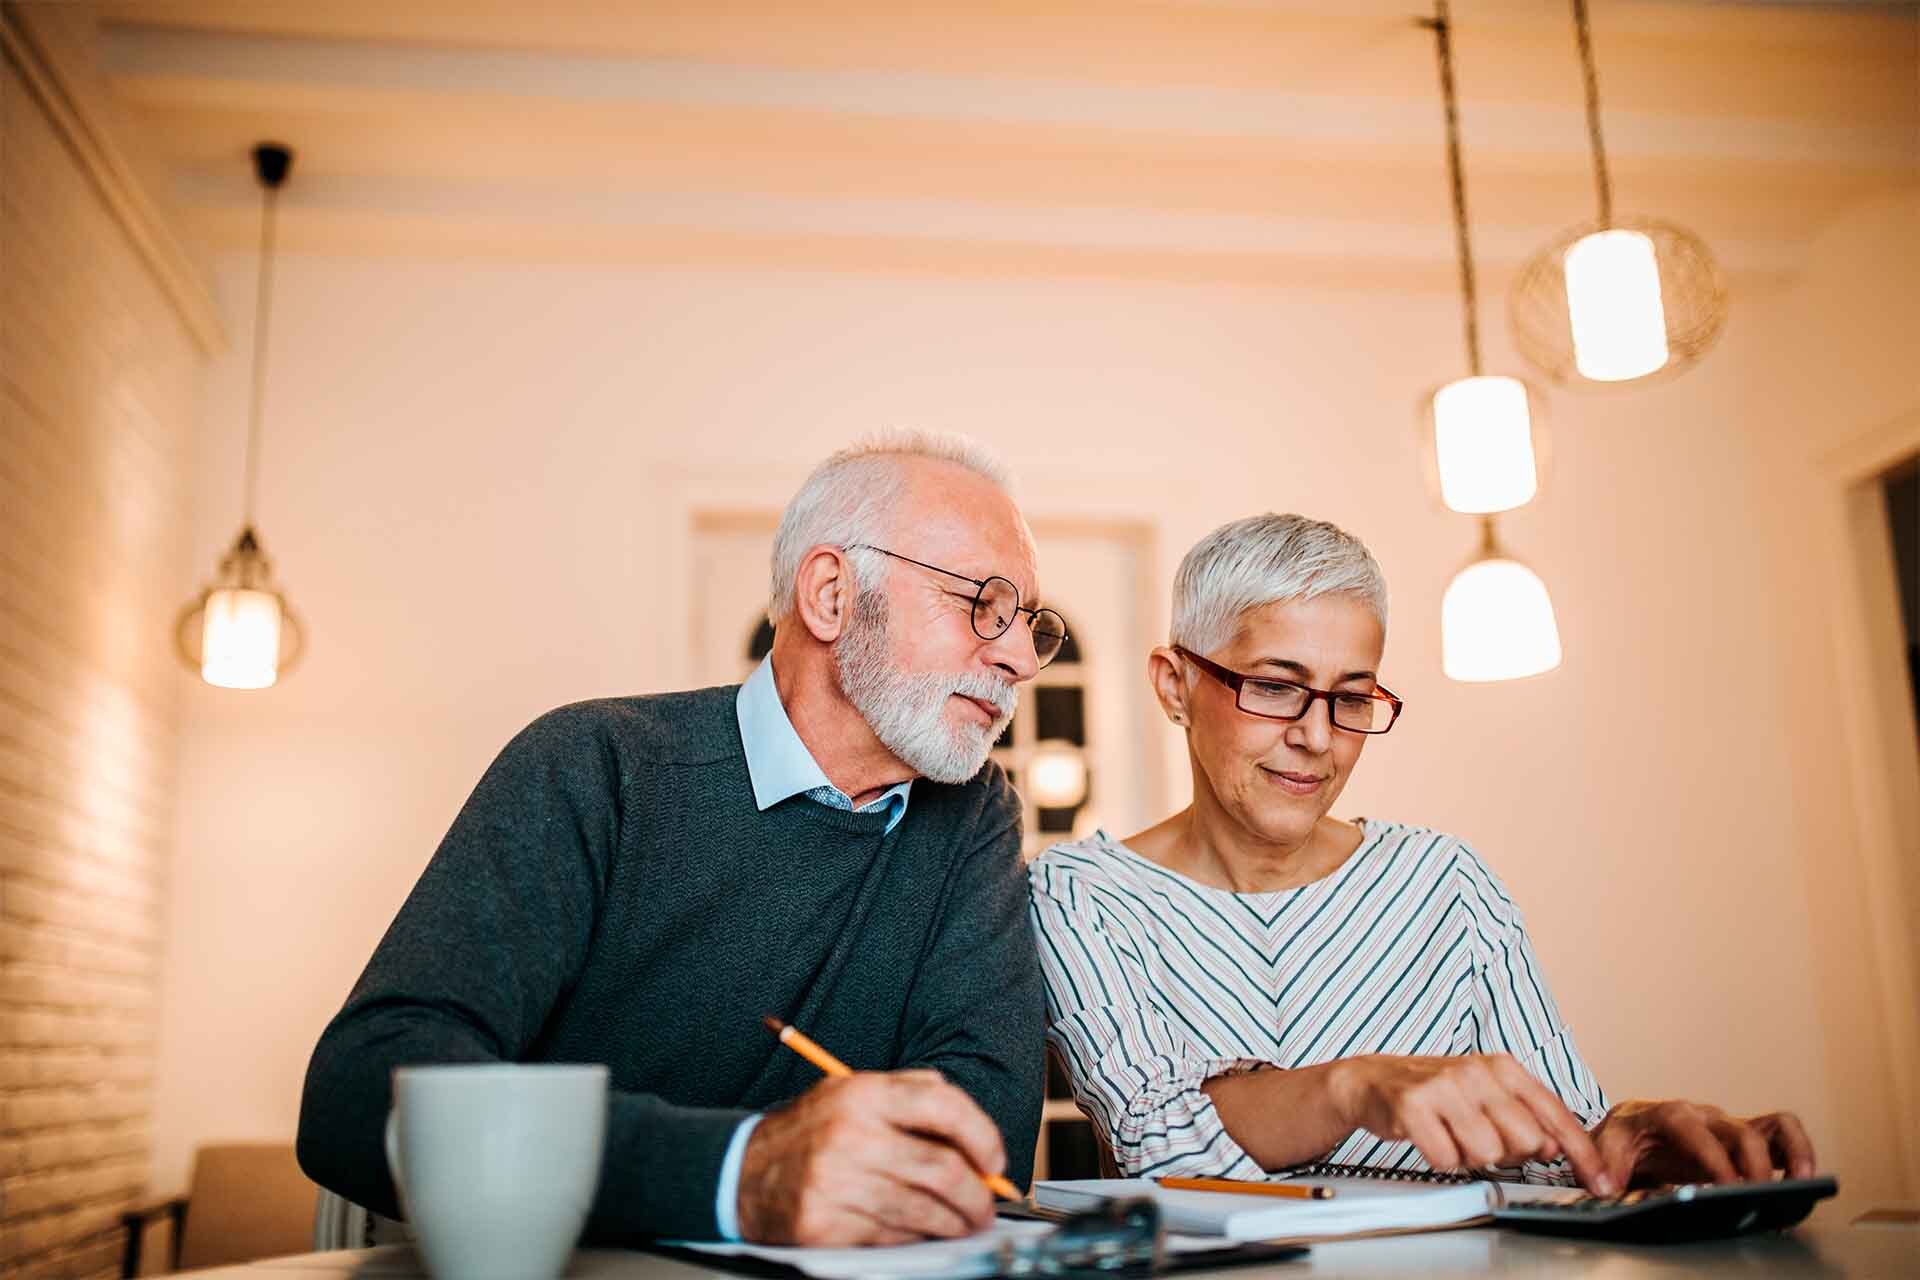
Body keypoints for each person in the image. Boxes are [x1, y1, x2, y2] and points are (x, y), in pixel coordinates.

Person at [299, 432, 1066, 1246]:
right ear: (832, 595)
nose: (1020, 657)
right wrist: (740, 1174)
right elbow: (360, 1093)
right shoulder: (597, 766)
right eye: (983, 601)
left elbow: (982, 1145)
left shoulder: (972, 816)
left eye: (1030, 623)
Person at [1029, 513, 1815, 1195]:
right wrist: (1355, 1085)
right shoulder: (1080, 895)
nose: (1316, 735)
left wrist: (1632, 1137)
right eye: (1275, 686)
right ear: (1173, 686)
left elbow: (1555, 1152)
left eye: (1352, 697)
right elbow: (1159, 1146)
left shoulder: (1447, 883)